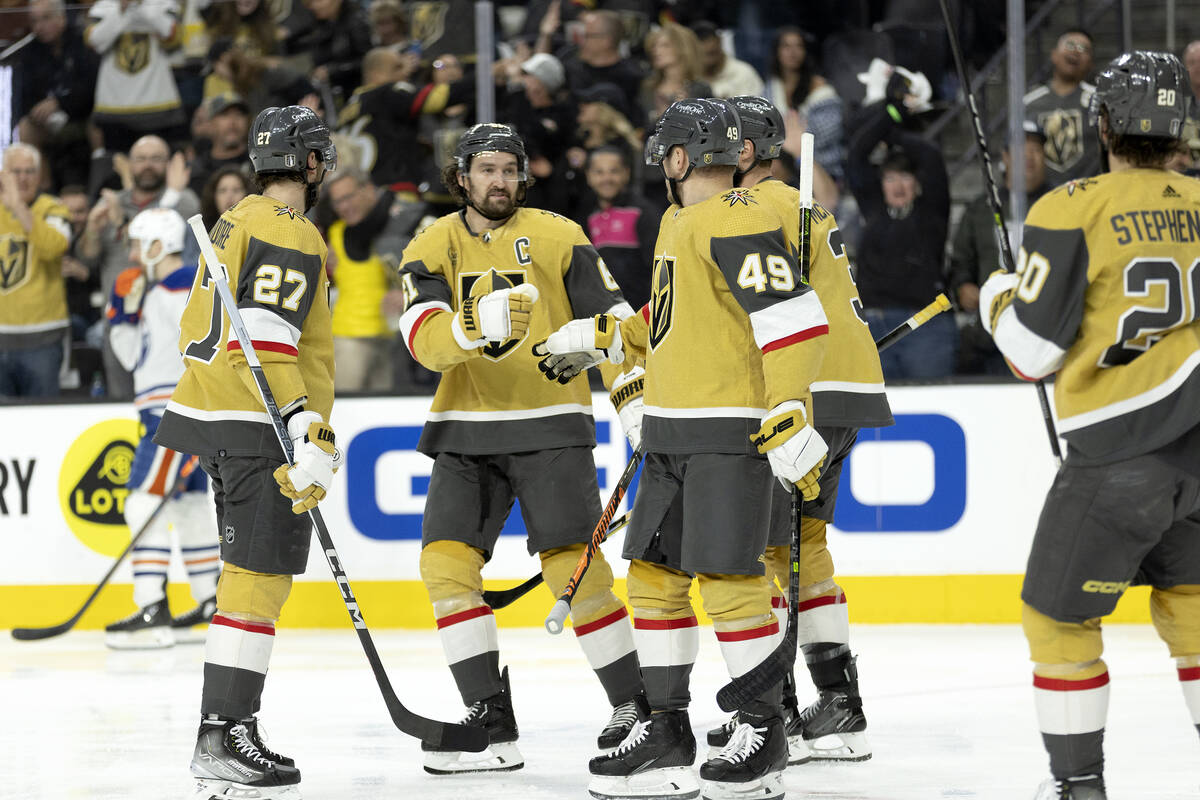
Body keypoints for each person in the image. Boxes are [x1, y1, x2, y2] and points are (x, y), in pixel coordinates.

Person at [552, 98, 830, 800]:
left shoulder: (733, 217)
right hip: (674, 432)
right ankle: (668, 727)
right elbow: (677, 319)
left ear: (678, 159)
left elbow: (794, 316)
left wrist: (791, 410)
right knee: (652, 576)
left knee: (731, 582)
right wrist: (607, 337)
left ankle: (763, 732)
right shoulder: (681, 223)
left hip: (726, 431)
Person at [980, 52, 1200, 800]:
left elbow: (1029, 354)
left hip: (1117, 454)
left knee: (1057, 621)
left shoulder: (1069, 206)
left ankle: (1079, 786)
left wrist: (997, 297)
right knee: (1196, 617)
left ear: (1102, 122)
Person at [395, 123, 645, 774]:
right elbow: (421, 338)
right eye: (486, 169)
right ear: (462, 177)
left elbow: (615, 325)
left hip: (550, 423)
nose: (499, 180)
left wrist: (634, 399)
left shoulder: (561, 235)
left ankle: (635, 708)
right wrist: (471, 325)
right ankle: (489, 723)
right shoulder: (431, 243)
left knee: (575, 569)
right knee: (445, 569)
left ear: (523, 176)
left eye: (509, 169)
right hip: (464, 428)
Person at [153, 105, 337, 797]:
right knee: (258, 581)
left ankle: (226, 727)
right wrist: (301, 422)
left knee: (244, 577)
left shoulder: (236, 218)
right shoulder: (289, 229)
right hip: (259, 425)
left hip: (220, 416)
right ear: (312, 163)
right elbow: (261, 333)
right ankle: (223, 732)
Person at [704, 94, 893, 766]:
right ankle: (839, 706)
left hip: (803, 394)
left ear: (744, 153)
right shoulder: (805, 206)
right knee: (800, 547)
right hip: (849, 392)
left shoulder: (749, 208)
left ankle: (776, 711)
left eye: (718, 145)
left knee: (761, 552)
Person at [102, 208, 218, 650]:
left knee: (141, 502)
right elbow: (133, 359)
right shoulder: (152, 292)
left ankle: (151, 605)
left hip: (171, 412)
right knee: (187, 507)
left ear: (157, 246)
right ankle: (208, 599)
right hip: (170, 408)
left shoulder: (183, 286)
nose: (132, 253)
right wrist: (122, 315)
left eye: (137, 243)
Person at [846, 74, 956, 380]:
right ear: (880, 183)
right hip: (871, 323)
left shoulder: (932, 211)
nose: (898, 185)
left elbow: (930, 157)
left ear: (918, 184)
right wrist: (892, 113)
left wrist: (894, 129)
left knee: (930, 403)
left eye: (905, 177)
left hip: (924, 324)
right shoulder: (874, 208)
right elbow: (857, 155)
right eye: (890, 177)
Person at [76, 134, 201, 399]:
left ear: (168, 164)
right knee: (127, 397)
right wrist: (92, 230)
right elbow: (87, 261)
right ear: (130, 165)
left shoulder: (183, 200)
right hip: (124, 311)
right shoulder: (111, 202)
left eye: (156, 159)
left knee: (176, 391)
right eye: (141, 159)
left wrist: (125, 221)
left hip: (172, 313)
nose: (148, 165)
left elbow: (180, 251)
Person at [950, 120, 1050, 376]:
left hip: (1045, 335)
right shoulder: (981, 209)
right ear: (1005, 156)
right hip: (990, 336)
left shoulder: (1062, 204)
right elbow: (960, 261)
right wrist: (963, 287)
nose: (1028, 157)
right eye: (1020, 149)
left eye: (1035, 150)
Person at [0, 144, 72, 399]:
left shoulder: (54, 208)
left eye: (29, 171)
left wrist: (18, 207)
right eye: (15, 171)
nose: (22, 178)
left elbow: (53, 248)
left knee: (42, 425)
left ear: (40, 176)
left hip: (43, 340)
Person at [325, 167, 400, 392]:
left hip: (388, 339)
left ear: (368, 189)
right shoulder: (336, 234)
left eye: (348, 197)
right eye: (337, 202)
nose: (344, 207)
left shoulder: (397, 226)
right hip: (350, 340)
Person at [15, 0, 99, 192]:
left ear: (61, 18)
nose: (39, 26)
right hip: (49, 122)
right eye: (34, 21)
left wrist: (59, 103)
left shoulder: (82, 43)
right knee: (26, 127)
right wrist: (40, 109)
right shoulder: (30, 53)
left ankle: (97, 182)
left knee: (99, 121)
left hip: (82, 116)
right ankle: (41, 188)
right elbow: (25, 97)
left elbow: (91, 89)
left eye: (45, 19)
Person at [85, 0, 187, 154]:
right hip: (114, 108)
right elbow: (94, 42)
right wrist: (121, 11)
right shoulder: (103, 6)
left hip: (158, 106)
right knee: (118, 167)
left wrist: (141, 7)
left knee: (159, 161)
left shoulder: (163, 3)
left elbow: (173, 37)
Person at [582, 146, 658, 309]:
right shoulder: (588, 216)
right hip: (604, 314)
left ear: (626, 173)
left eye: (614, 171)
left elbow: (657, 268)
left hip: (640, 314)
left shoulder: (642, 211)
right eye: (599, 172)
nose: (606, 178)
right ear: (588, 176)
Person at [1024, 29, 1101, 189]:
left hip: (1090, 195)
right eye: (1070, 45)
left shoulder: (1100, 101)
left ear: (1091, 63)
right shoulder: (1029, 102)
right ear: (1054, 55)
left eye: (1083, 49)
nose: (1075, 51)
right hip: (1043, 198)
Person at [693, 21, 765, 99]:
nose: (706, 48)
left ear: (719, 42)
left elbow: (756, 108)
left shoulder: (743, 73)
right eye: (702, 54)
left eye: (711, 53)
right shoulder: (688, 77)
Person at [199, 166, 254, 231]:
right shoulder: (201, 231)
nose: (229, 196)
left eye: (236, 190)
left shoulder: (256, 228)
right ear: (213, 196)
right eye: (223, 190)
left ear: (247, 194)